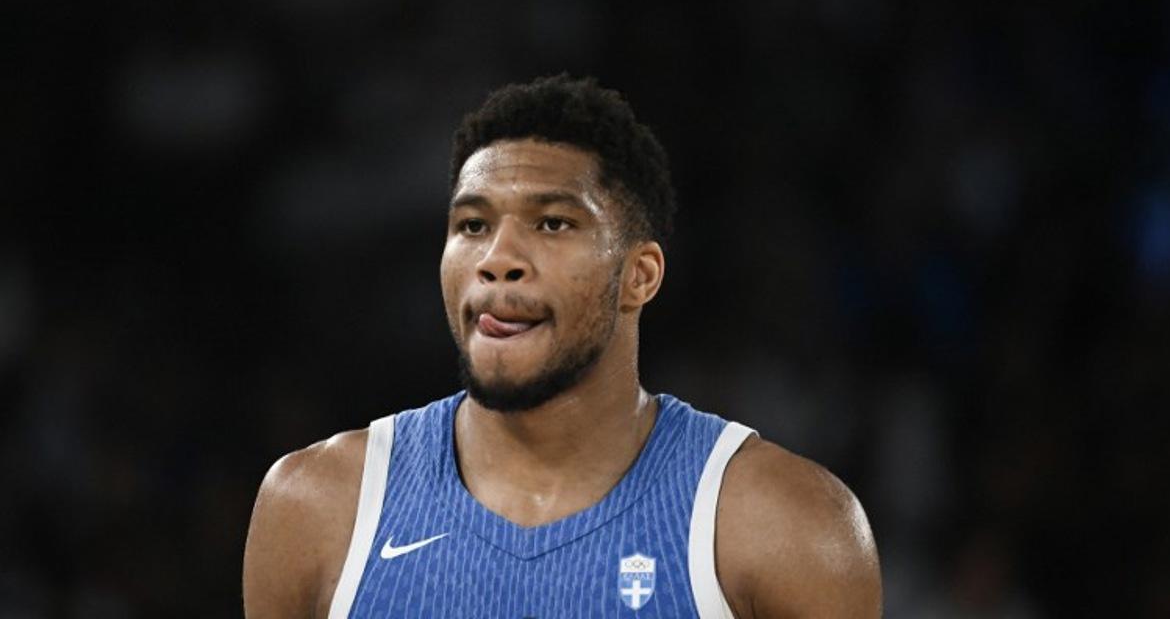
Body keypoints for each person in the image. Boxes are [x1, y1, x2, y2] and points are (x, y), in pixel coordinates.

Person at [243, 75, 882, 618]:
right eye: (473, 225)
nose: (498, 259)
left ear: (640, 275)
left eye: (552, 223)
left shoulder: (783, 525)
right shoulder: (317, 507)